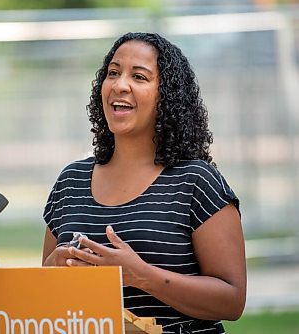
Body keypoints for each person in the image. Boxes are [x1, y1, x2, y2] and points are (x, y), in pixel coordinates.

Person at [42, 32, 246, 334]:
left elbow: (232, 300)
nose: (119, 85)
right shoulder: (70, 182)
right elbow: (45, 293)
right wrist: (51, 271)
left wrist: (139, 276)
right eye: (113, 73)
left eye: (139, 76)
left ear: (167, 96)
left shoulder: (196, 181)